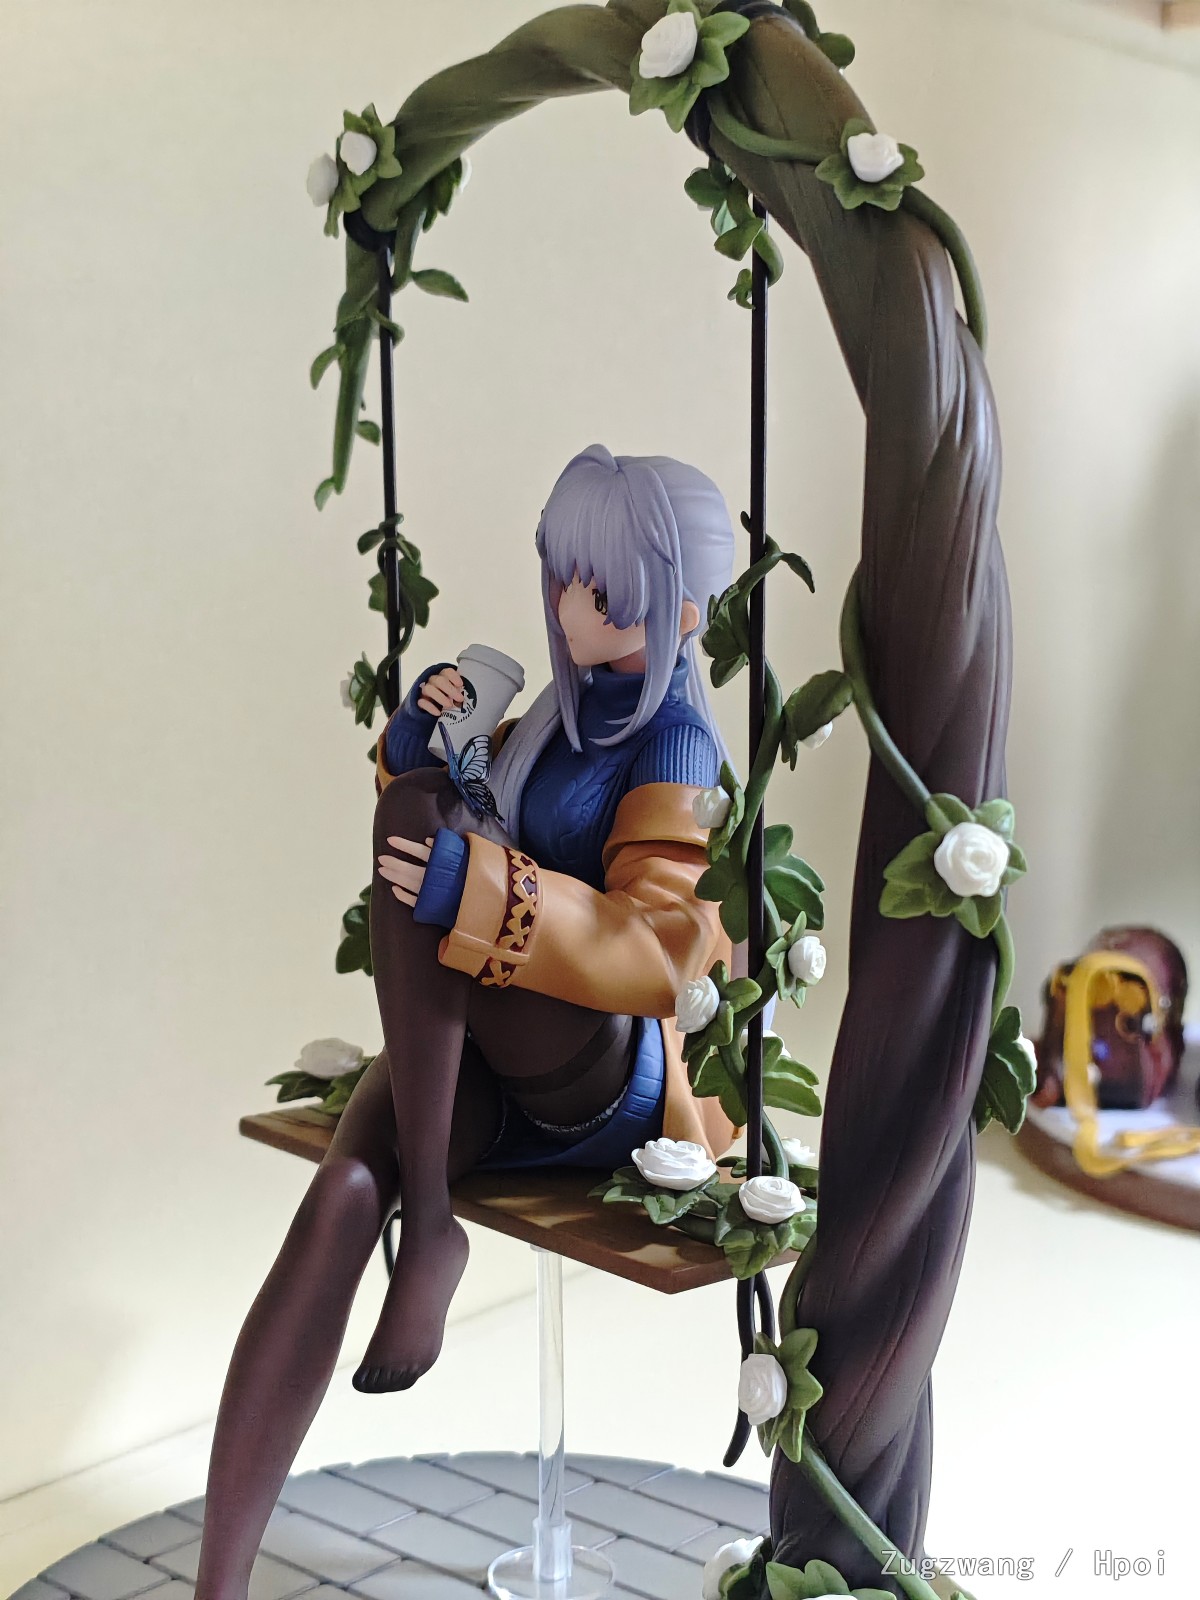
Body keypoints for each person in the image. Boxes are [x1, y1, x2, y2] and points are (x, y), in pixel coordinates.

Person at [195, 445, 739, 1600]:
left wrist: (479, 886)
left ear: (682, 610)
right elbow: (451, 825)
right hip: (483, 1057)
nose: (572, 606)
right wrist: (421, 741)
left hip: (604, 1071)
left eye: (606, 589)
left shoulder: (675, 745)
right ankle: (218, 1586)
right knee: (345, 1191)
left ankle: (435, 1225)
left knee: (427, 829)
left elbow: (662, 948)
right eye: (564, 576)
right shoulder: (548, 718)